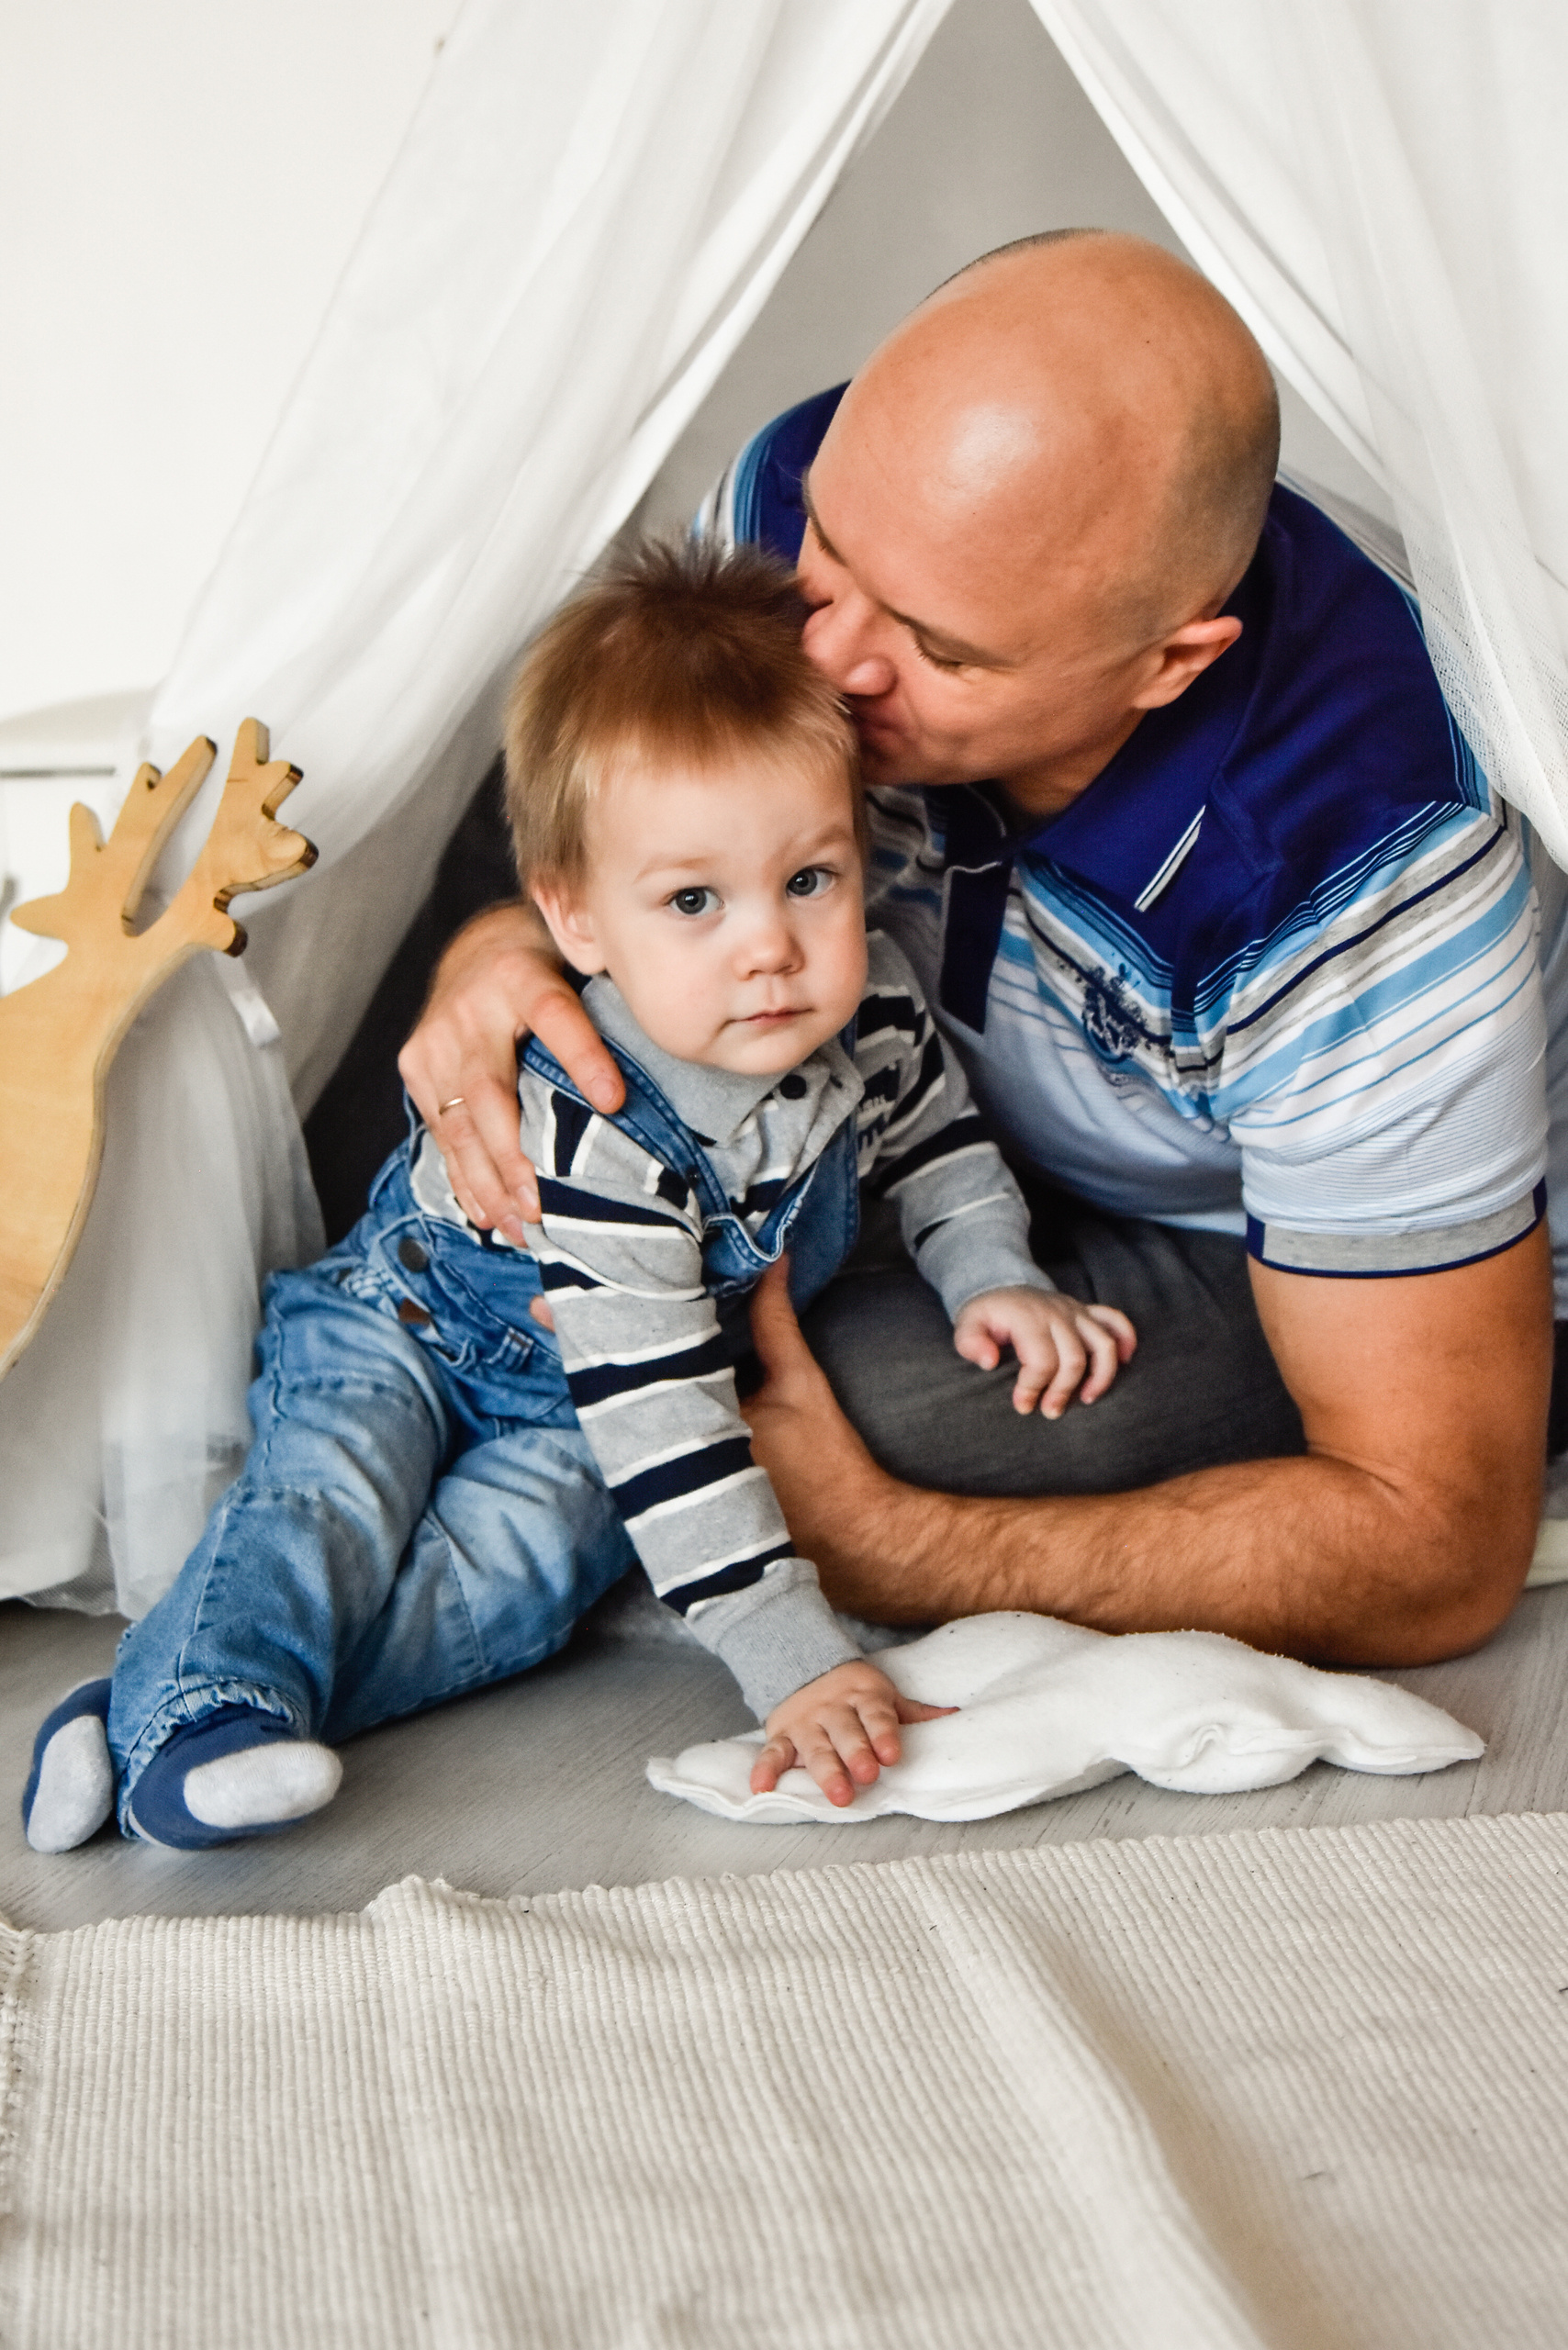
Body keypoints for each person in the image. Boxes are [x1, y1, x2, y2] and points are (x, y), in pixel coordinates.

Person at [401, 230, 1553, 1669]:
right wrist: (500, 950)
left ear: (1169, 664)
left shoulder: (1367, 882)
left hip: (1239, 1237)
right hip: (897, 1114)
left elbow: (1439, 1545)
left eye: (942, 652)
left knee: (807, 1397)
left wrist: (902, 1546)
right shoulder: (800, 513)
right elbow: (644, 818)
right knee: (443, 1041)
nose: (819, 667)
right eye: (831, 556)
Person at [23, 541, 1134, 1855]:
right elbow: (669, 1411)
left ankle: (159, 1710)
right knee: (331, 1509)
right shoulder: (600, 1126)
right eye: (692, 901)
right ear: (580, 923)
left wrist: (994, 1270)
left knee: (517, 1587)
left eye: (809, 879)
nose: (769, 946)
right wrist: (793, 1655)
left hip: (577, 1400)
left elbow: (938, 1143)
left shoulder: (877, 1005)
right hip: (407, 1328)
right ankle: (200, 1707)